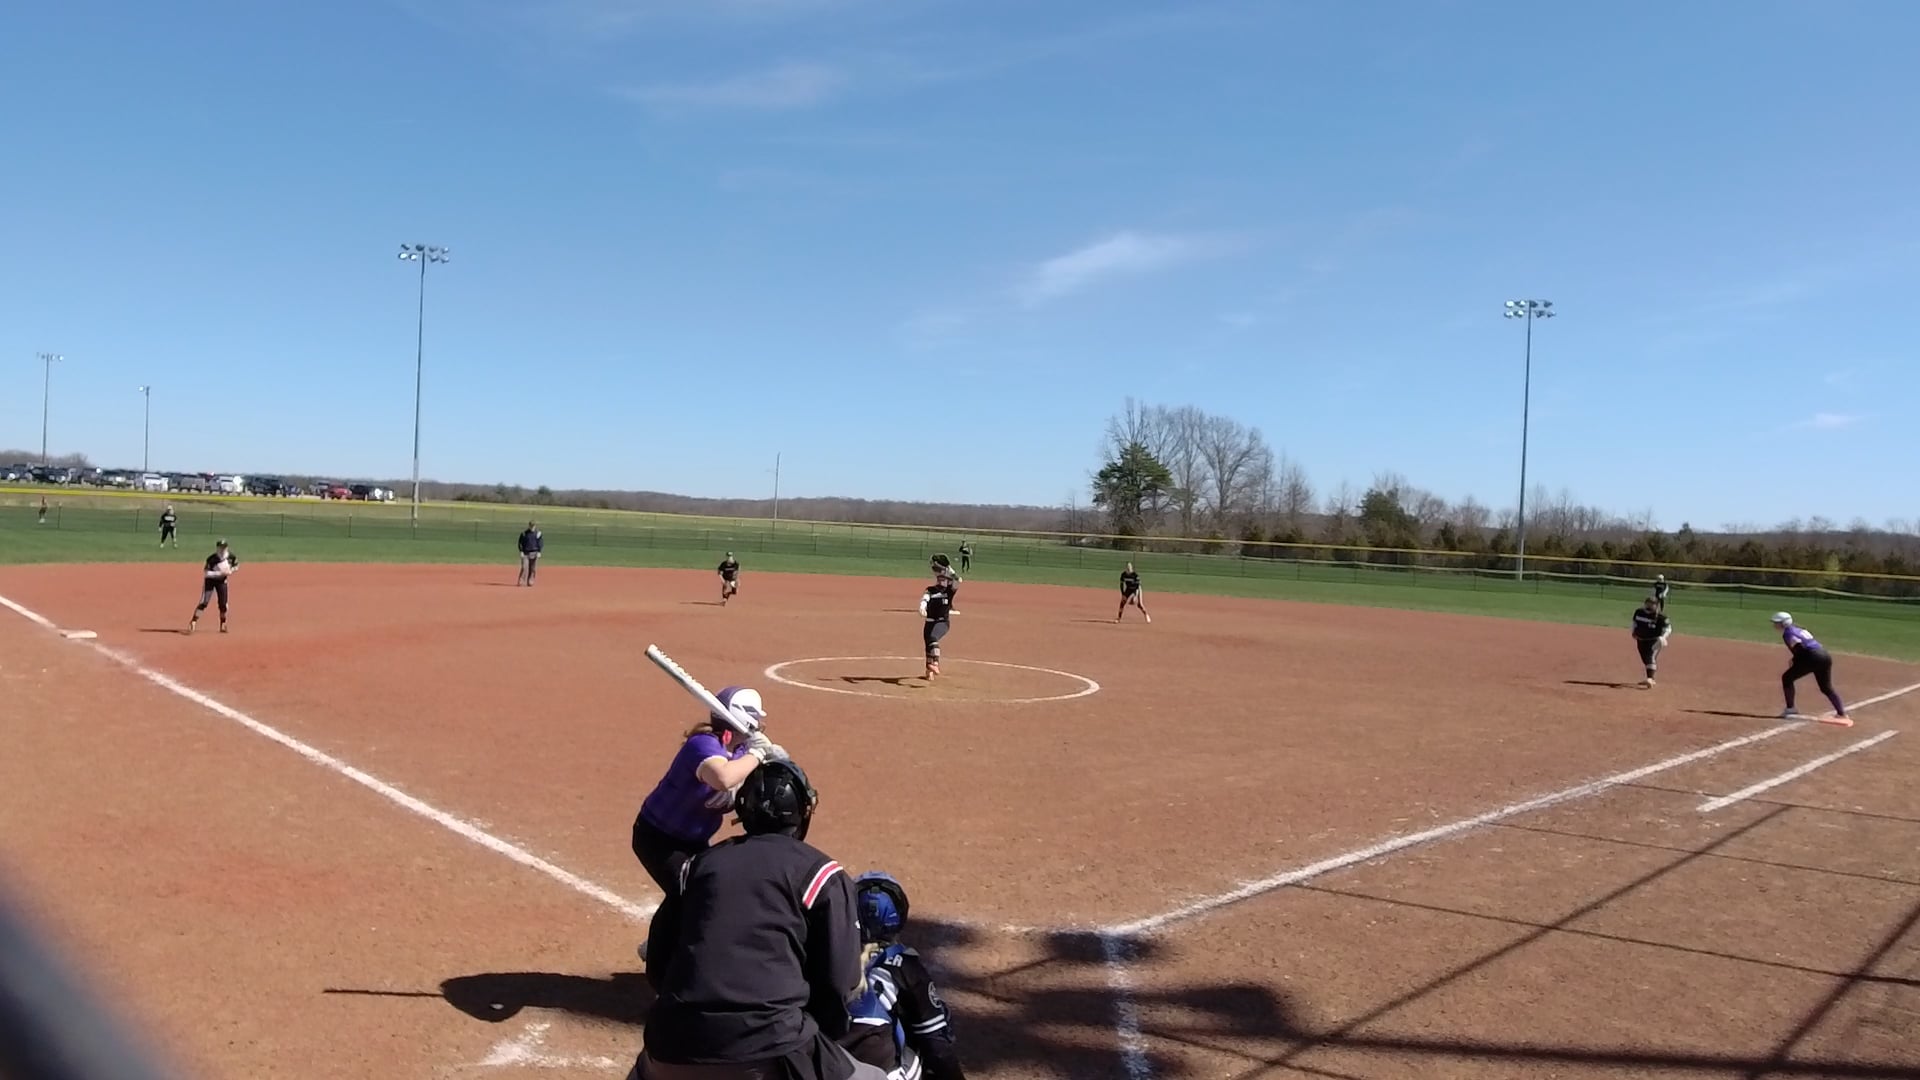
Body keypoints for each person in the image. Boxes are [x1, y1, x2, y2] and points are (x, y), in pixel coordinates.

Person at [630, 759, 889, 1080]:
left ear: (742, 810)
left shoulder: (697, 866)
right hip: (770, 1048)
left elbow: (658, 964)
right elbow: (838, 982)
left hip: (668, 1046)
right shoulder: (821, 874)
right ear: (803, 813)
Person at [632, 686, 786, 900]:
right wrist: (758, 753)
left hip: (694, 841)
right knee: (695, 897)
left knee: (702, 892)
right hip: (659, 838)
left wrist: (775, 761)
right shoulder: (703, 744)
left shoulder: (741, 752)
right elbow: (723, 778)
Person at [841, 872, 966, 1080]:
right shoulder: (905, 966)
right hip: (874, 1074)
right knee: (930, 1031)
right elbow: (937, 1046)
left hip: (823, 1066)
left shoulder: (826, 955)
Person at [1770, 612, 1850, 725]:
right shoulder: (1799, 629)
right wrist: (1795, 660)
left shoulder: (1788, 634)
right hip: (1824, 655)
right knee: (1826, 687)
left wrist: (1795, 661)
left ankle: (1790, 709)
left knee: (1787, 678)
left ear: (1783, 623)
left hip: (1812, 657)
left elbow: (1800, 649)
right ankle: (1841, 713)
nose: (1774, 625)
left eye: (1776, 623)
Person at [189, 540, 237, 634]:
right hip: (210, 581)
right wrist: (219, 573)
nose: (222, 549)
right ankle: (193, 621)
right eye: (220, 547)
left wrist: (231, 570)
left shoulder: (231, 557)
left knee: (223, 604)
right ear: (217, 548)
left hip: (222, 582)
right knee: (204, 602)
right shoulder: (212, 559)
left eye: (224, 547)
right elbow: (207, 573)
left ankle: (223, 623)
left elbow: (236, 565)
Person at [919, 573, 956, 680]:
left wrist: (951, 572)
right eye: (939, 579)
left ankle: (935, 663)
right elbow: (925, 598)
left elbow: (958, 580)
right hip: (929, 621)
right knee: (928, 645)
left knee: (933, 638)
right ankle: (929, 670)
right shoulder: (931, 590)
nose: (941, 581)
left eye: (943, 579)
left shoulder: (949, 591)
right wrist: (922, 607)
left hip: (942, 622)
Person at [1630, 595, 1671, 688]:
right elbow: (1634, 622)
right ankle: (1651, 678)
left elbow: (1668, 629)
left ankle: (1650, 679)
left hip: (1654, 640)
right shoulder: (1639, 612)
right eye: (1648, 603)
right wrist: (1633, 631)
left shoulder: (1661, 617)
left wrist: (1663, 637)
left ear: (1656, 605)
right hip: (1641, 639)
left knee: (1650, 657)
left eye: (1652, 604)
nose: (1649, 606)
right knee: (1645, 659)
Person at [517, 521, 543, 586]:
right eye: (531, 526)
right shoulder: (524, 534)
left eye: (533, 526)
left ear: (535, 526)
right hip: (525, 553)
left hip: (534, 552)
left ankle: (531, 580)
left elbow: (540, 543)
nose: (532, 527)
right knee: (524, 567)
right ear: (529, 526)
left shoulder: (538, 534)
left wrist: (539, 552)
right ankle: (521, 580)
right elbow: (520, 543)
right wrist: (521, 551)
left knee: (533, 568)